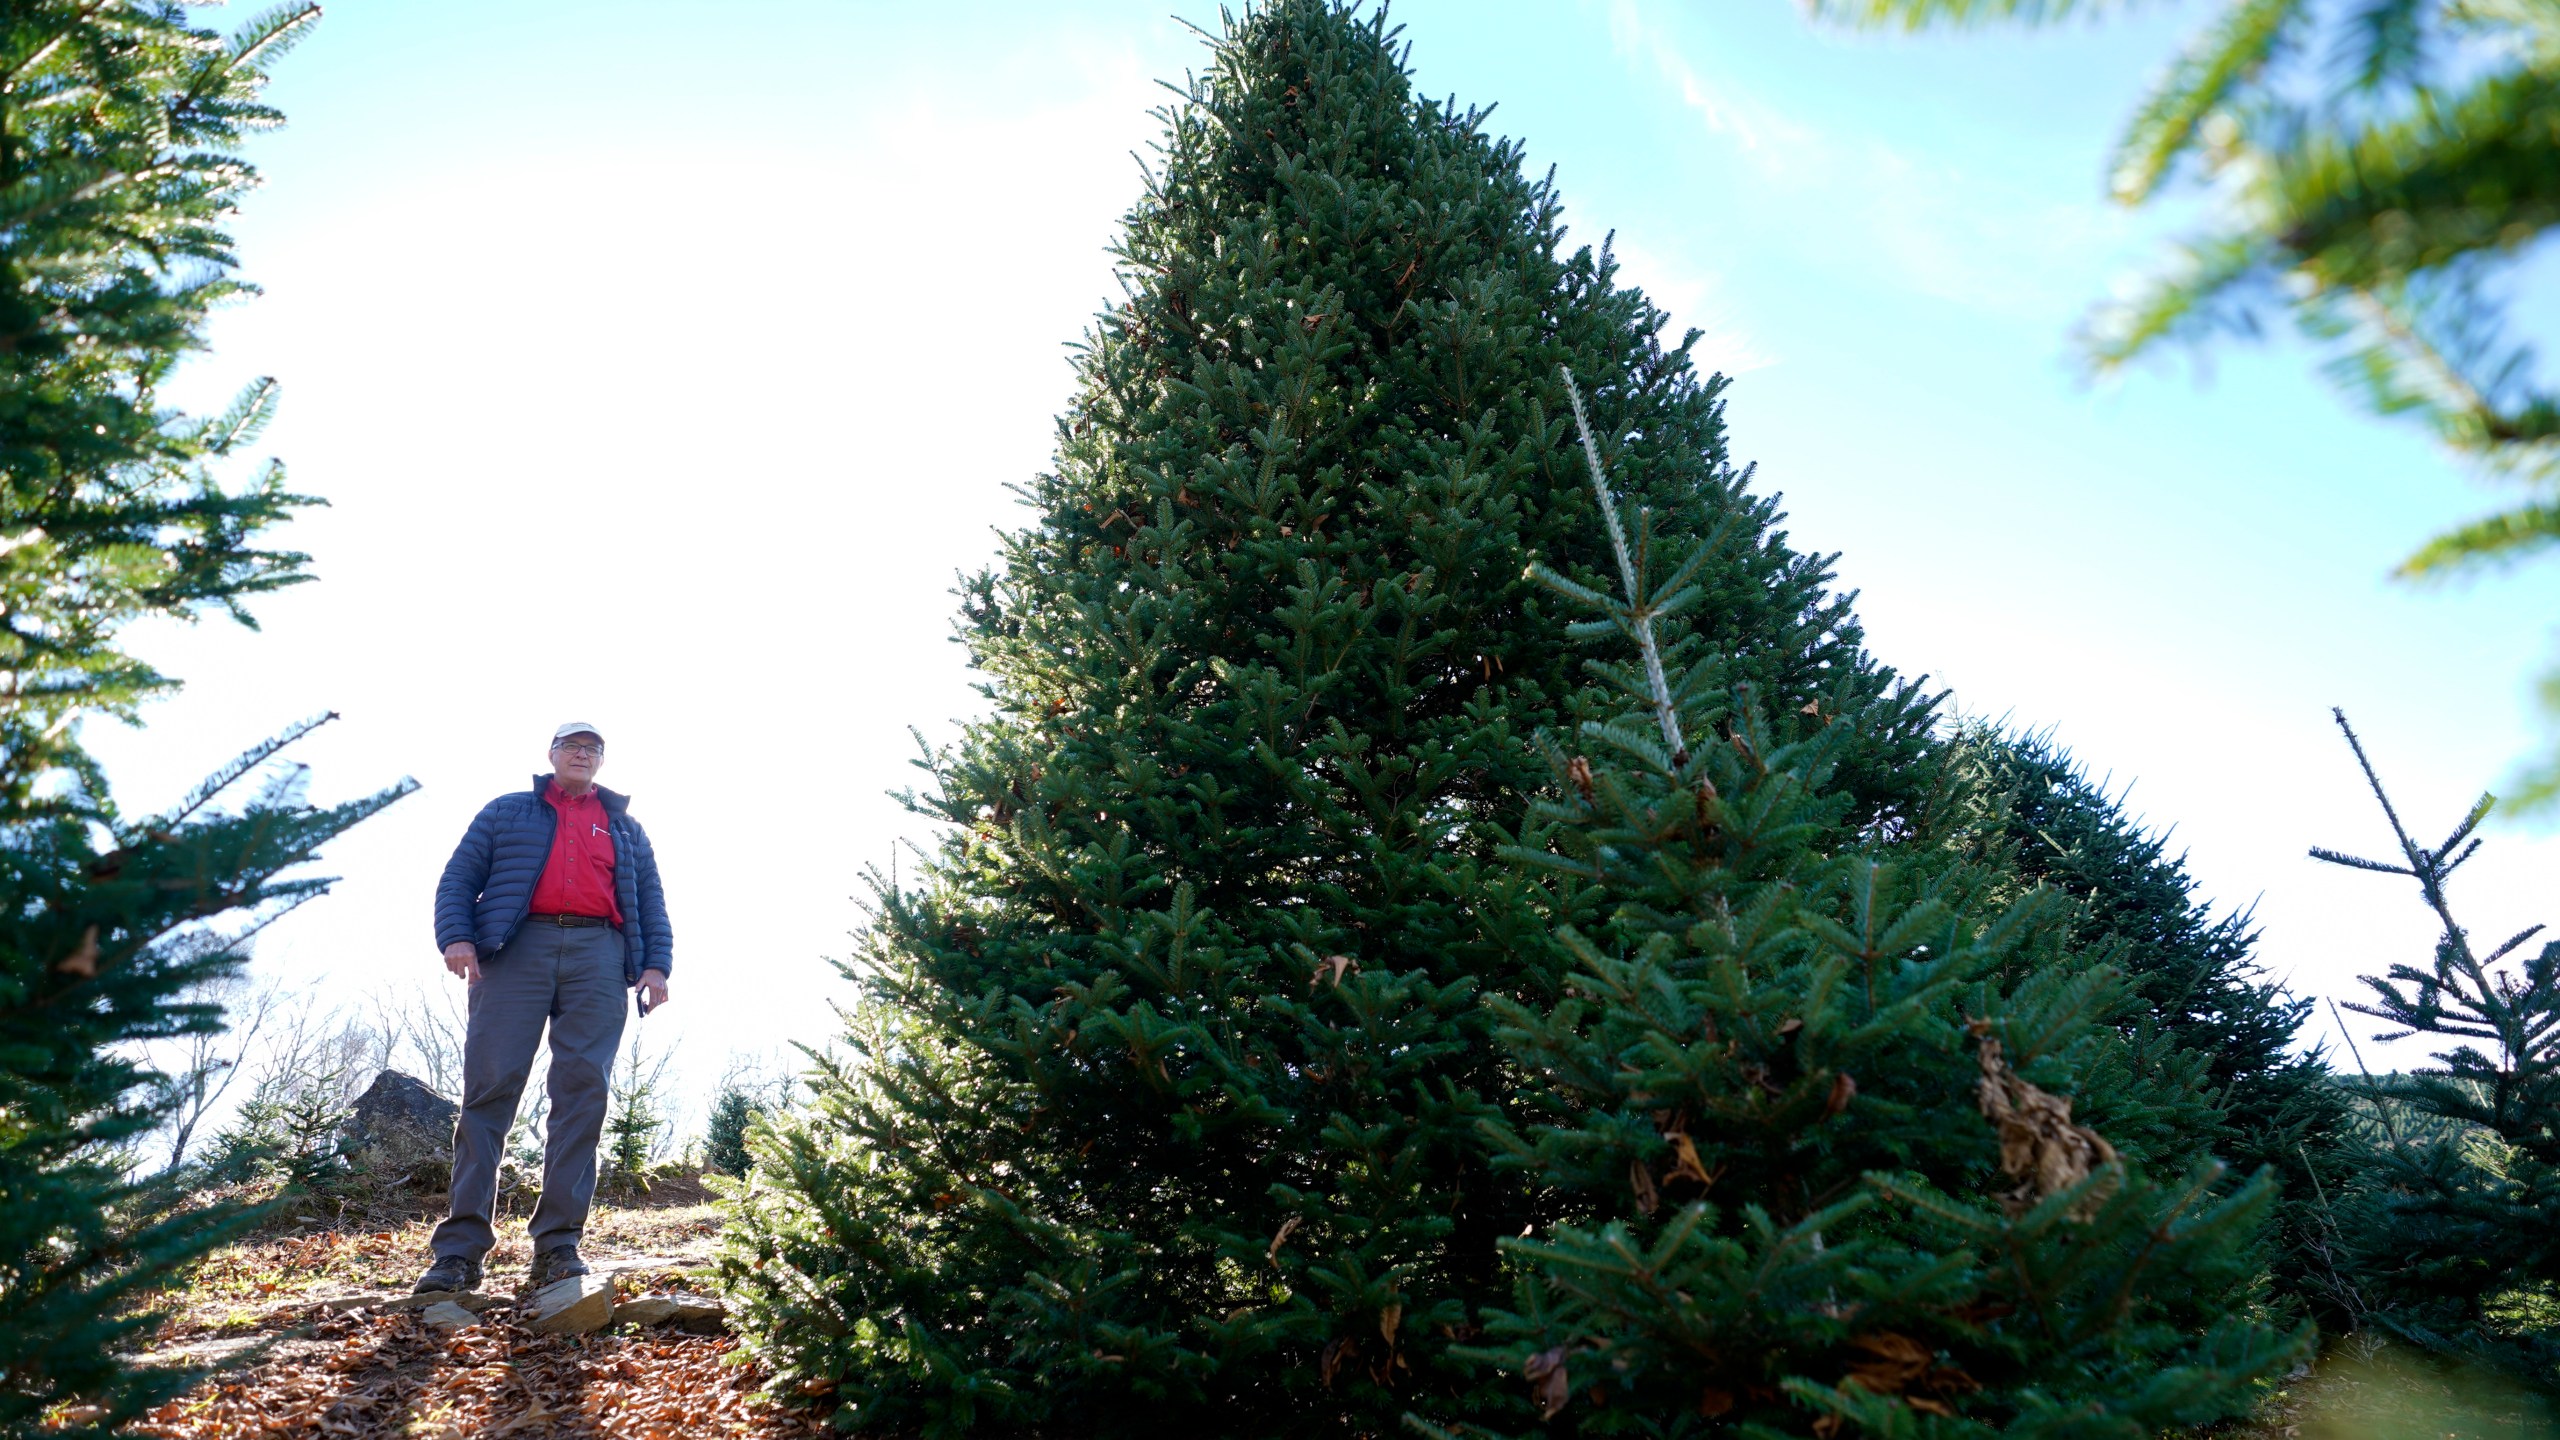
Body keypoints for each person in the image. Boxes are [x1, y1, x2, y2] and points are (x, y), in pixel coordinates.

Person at [413, 722, 673, 1295]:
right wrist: (456, 936)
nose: (582, 754)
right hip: (515, 951)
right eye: (572, 747)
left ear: (601, 762)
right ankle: (458, 1252)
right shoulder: (507, 811)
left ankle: (558, 1244)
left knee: (584, 1092)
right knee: (490, 1089)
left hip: (601, 956)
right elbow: (459, 878)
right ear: (551, 755)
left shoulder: (626, 828)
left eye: (592, 749)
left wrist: (656, 966)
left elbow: (650, 900)